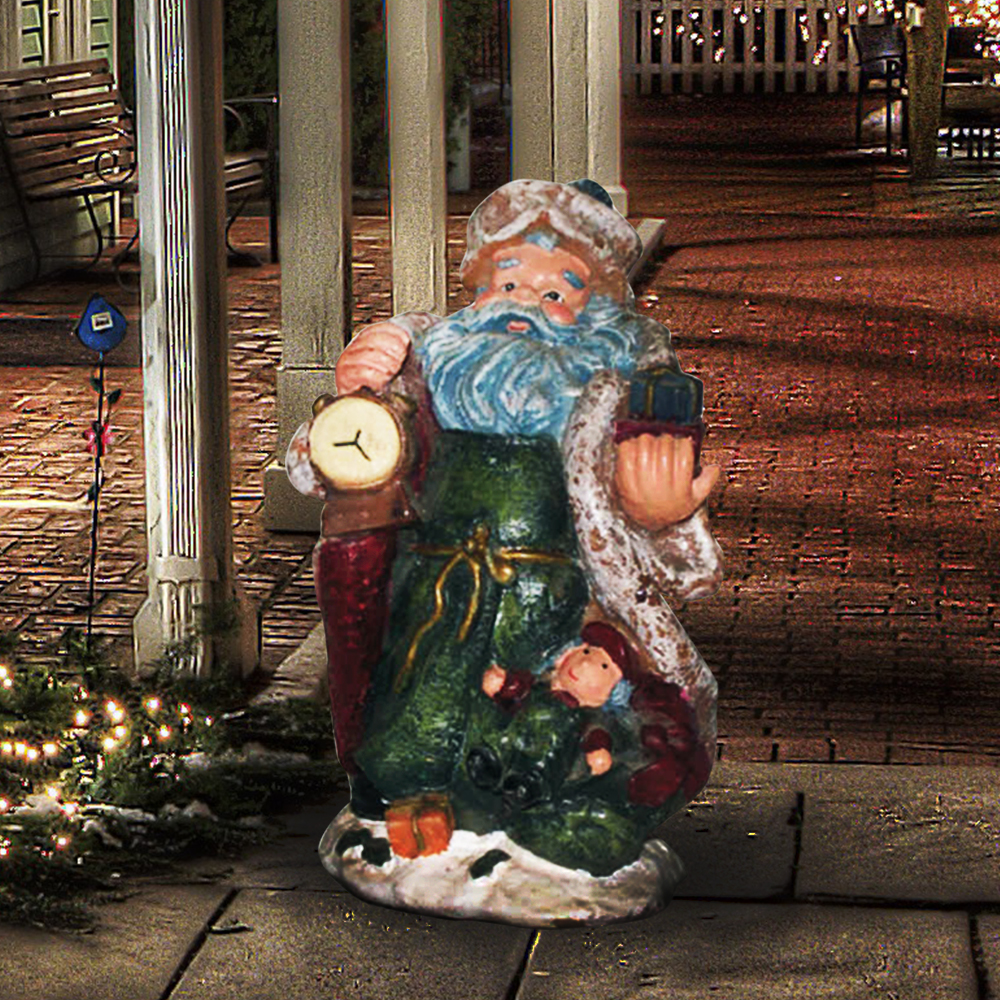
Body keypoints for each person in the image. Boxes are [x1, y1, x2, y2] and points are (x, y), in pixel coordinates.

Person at [288, 178, 723, 874]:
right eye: (510, 281)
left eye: (559, 290)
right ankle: (408, 802)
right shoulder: (435, 360)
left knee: (536, 705)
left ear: (597, 303)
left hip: (550, 591)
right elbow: (325, 463)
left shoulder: (617, 380)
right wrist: (359, 391)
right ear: (481, 283)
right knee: (424, 696)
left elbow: (664, 538)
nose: (527, 304)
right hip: (436, 581)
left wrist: (658, 516)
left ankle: (531, 809)